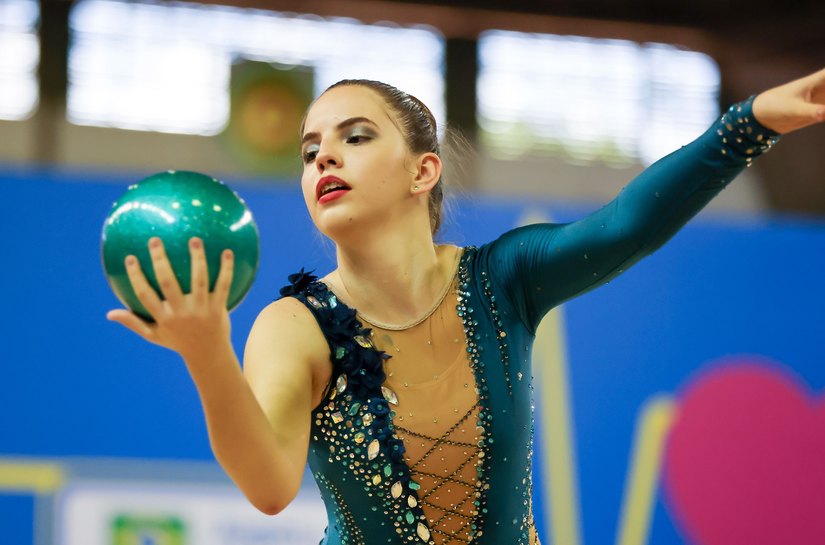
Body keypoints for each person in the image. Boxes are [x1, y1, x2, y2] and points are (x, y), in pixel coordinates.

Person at [107, 68, 825, 545]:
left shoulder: (501, 280)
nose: (323, 158)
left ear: (424, 170)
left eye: (354, 137)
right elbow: (267, 486)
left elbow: (624, 226)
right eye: (309, 151)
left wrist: (750, 119)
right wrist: (207, 355)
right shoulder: (295, 326)